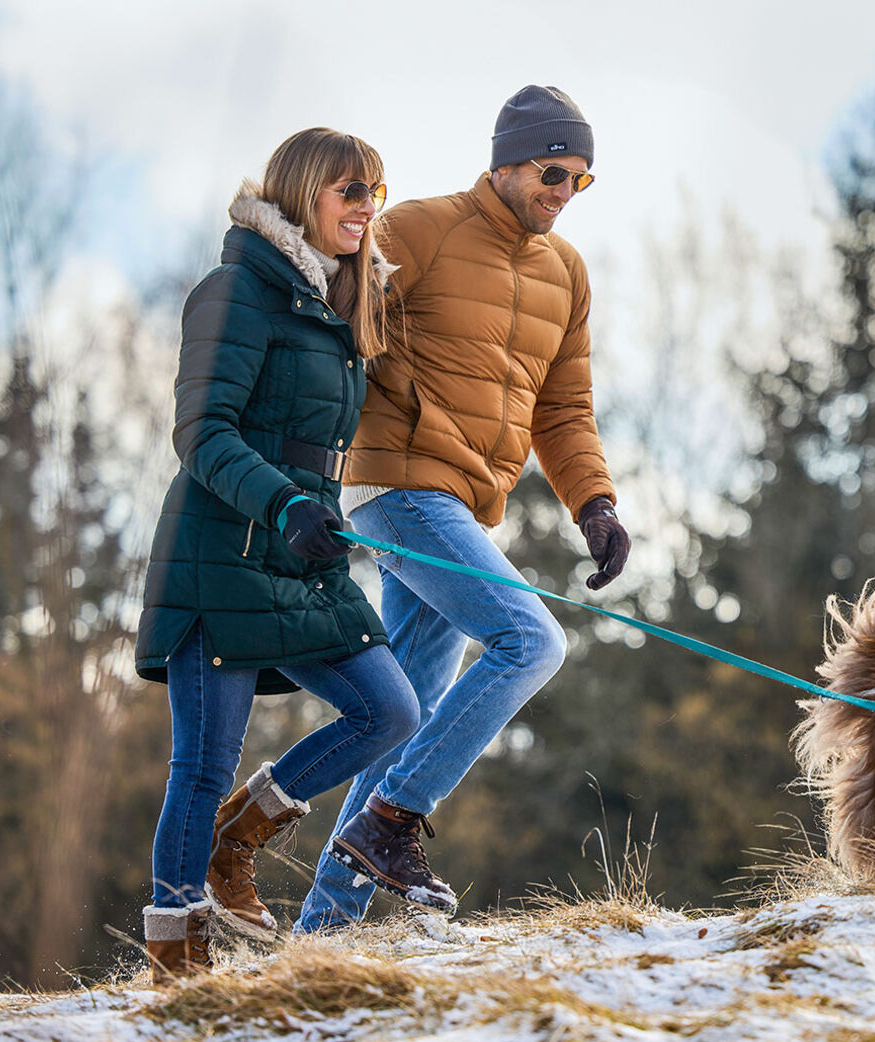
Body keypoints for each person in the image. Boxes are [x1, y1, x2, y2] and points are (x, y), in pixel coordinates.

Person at [295, 86, 630, 932]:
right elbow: (330, 333)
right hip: (396, 484)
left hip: (466, 506)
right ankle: (393, 821)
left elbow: (562, 408)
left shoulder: (566, 274)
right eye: (553, 171)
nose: (563, 191)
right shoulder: (419, 228)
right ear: (507, 161)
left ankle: (320, 936)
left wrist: (593, 503)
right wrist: (299, 479)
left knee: (401, 710)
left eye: (580, 180)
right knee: (529, 639)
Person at [133, 128, 421, 981]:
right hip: (221, 552)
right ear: (302, 195)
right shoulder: (235, 289)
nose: (367, 207)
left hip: (303, 555)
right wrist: (285, 500)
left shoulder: (343, 306)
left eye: (374, 190)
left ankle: (239, 834)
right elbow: (201, 433)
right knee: (200, 764)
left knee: (390, 710)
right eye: (348, 190)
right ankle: (176, 962)